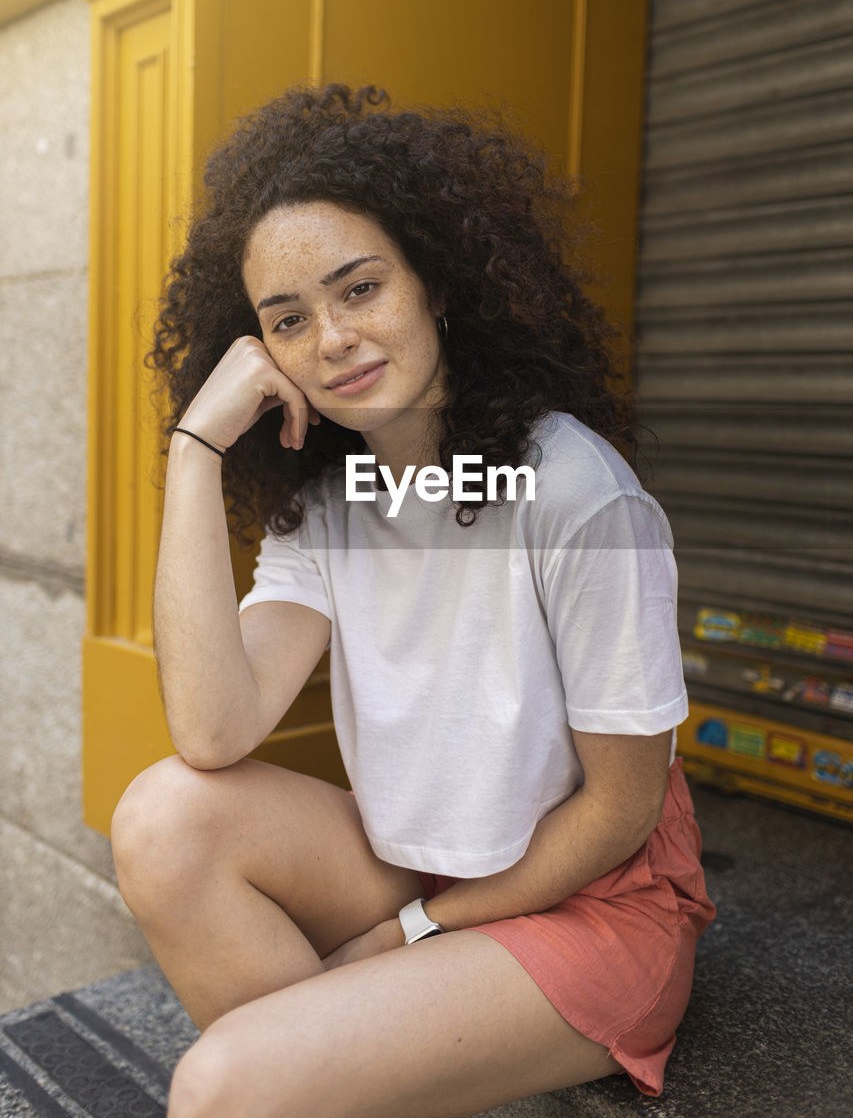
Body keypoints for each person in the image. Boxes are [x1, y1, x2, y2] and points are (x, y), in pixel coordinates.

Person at [110, 82, 715, 1118]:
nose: (333, 338)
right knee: (164, 815)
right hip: (420, 860)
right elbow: (213, 727)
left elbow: (620, 811)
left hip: (595, 905)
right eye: (288, 320)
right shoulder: (331, 497)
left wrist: (410, 932)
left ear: (434, 282)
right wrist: (196, 452)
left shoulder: (575, 491)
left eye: (359, 289)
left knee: (222, 1084)